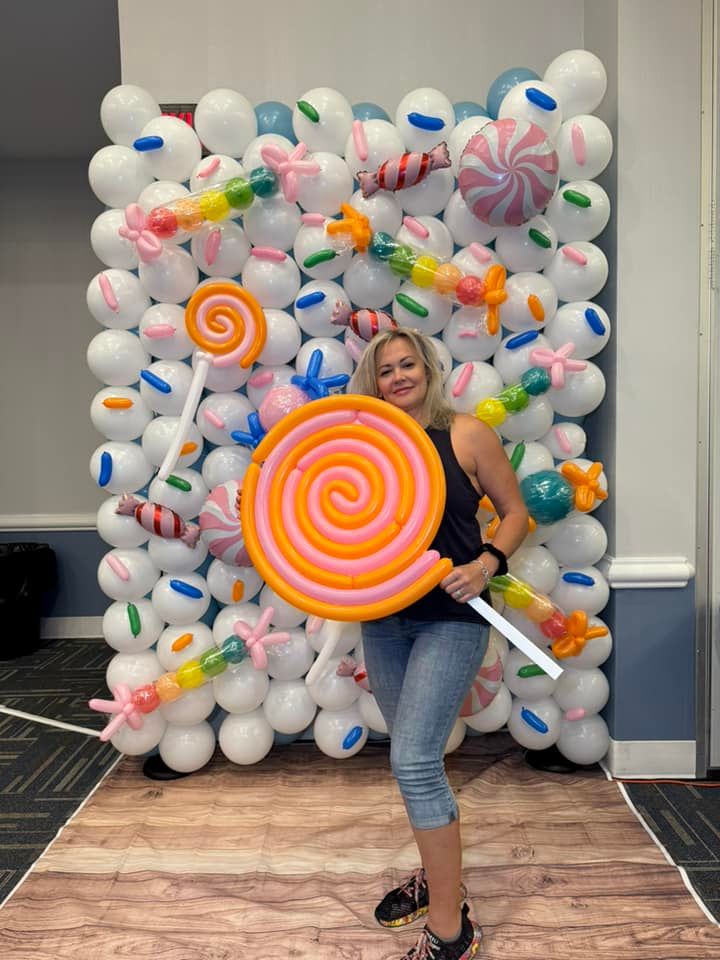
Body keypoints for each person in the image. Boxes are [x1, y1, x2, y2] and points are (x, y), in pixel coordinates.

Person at [349, 327, 529, 960]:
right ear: (372, 382)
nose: (398, 377)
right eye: (385, 370)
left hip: (453, 617)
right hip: (384, 619)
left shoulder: (467, 434)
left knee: (416, 763)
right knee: (413, 760)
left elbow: (514, 513)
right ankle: (439, 880)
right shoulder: (365, 445)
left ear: (427, 368)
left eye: (407, 364)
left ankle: (451, 932)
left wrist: (485, 563)